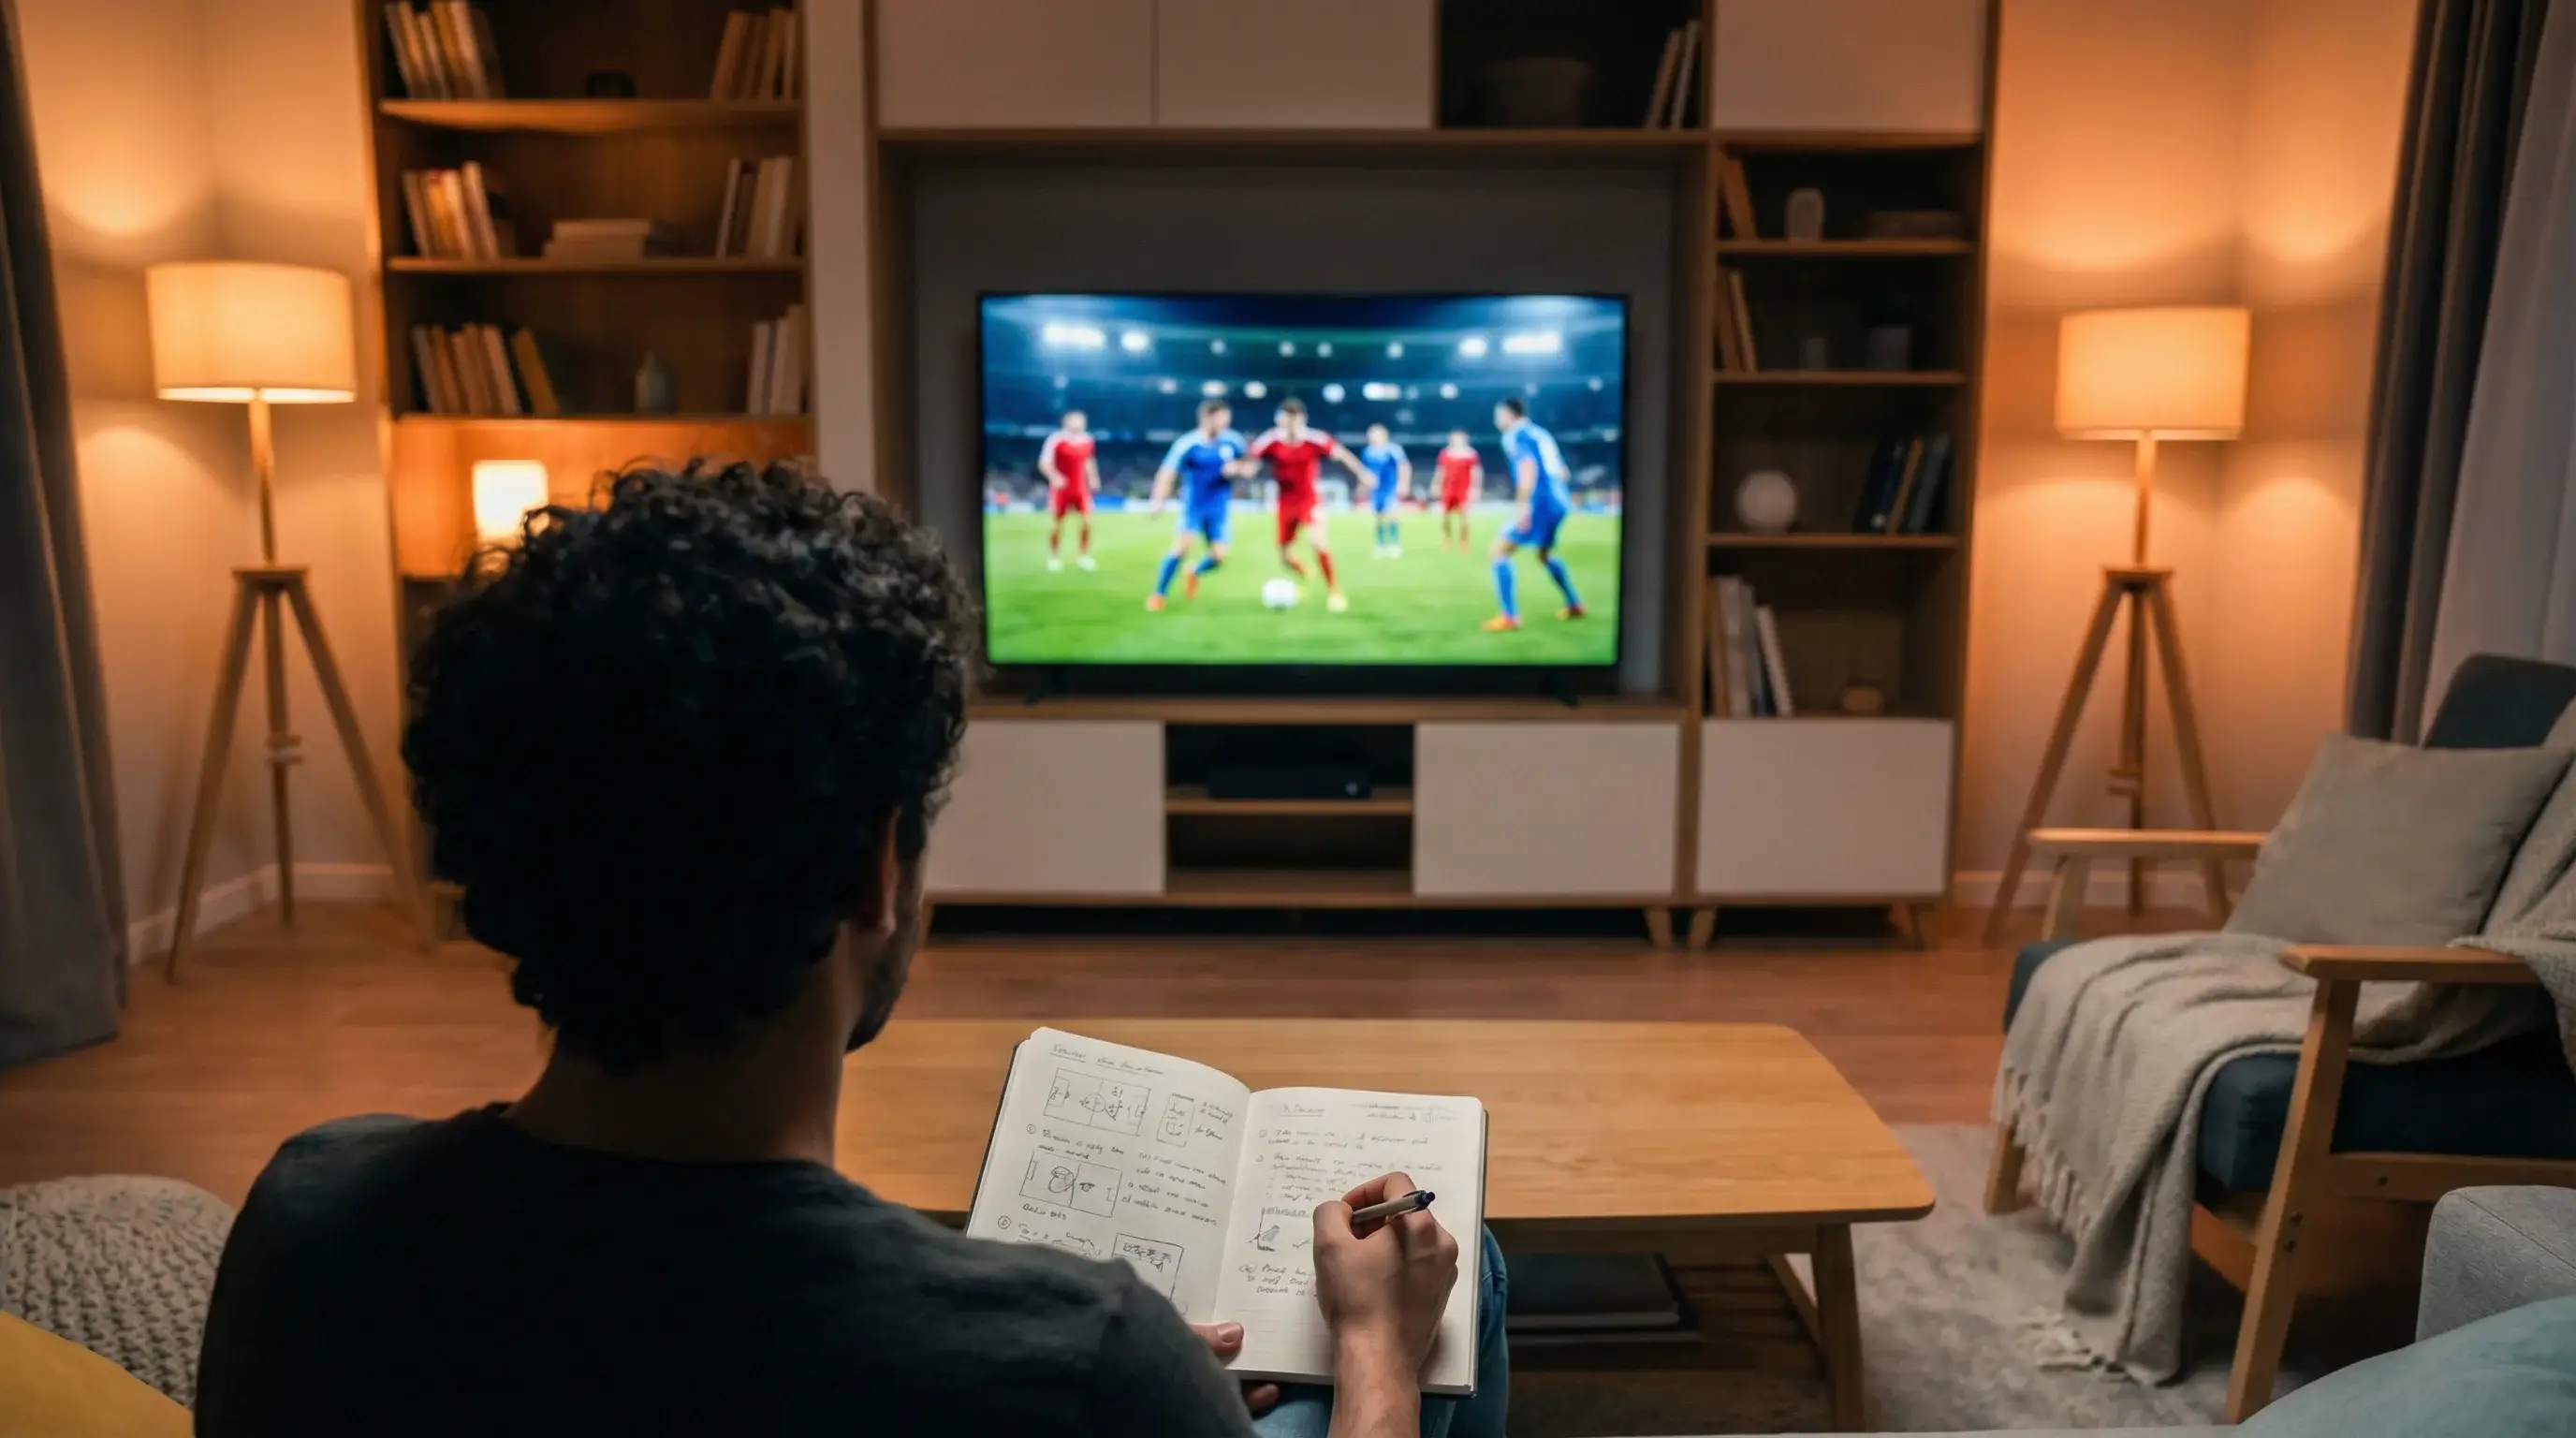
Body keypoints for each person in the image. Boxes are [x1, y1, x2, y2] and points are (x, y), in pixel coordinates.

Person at [193, 460, 1509, 1438]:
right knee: (1442, 1282)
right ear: (876, 870)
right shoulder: (1087, 1360)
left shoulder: (307, 1216)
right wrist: (1378, 1355)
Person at [1249, 397, 1370, 612]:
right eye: (1287, 420)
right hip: (1285, 504)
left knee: (1318, 542)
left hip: (1309, 501)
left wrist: (1362, 473)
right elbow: (1250, 458)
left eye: (1295, 420)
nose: (1291, 424)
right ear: (1280, 420)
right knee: (1285, 557)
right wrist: (1244, 468)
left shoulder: (1315, 439)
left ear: (1302, 420)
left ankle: (1334, 592)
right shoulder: (1271, 440)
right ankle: (1307, 574)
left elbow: (1341, 454)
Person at [1483, 398, 1586, 632]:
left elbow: (1527, 467)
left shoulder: (1515, 435)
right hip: (1559, 501)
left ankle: (1509, 616)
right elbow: (1563, 471)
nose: (1496, 420)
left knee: (1498, 552)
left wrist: (1523, 506)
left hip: (1540, 503)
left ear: (1509, 415)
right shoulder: (1540, 434)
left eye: (1498, 415)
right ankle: (1574, 604)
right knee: (1544, 555)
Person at [1147, 399, 1253, 610]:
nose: (1224, 422)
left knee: (1219, 557)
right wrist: (1158, 500)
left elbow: (1250, 466)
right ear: (1206, 418)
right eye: (1220, 418)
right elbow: (1168, 472)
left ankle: (1194, 571)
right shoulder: (1188, 443)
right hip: (1193, 506)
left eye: (1226, 418)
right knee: (1181, 547)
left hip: (1219, 508)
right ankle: (1158, 594)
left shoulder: (1233, 441)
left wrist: (1238, 469)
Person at [1039, 408, 1101, 571]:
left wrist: (1093, 478)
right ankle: (1054, 557)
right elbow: (1044, 463)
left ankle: (1083, 556)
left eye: (1082, 421)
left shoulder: (1088, 440)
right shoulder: (1056, 440)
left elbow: (1089, 460)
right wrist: (1055, 477)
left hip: (1080, 489)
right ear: (1067, 422)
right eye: (1076, 420)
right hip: (1061, 489)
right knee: (1056, 525)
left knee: (1087, 523)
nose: (1080, 424)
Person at [1358, 422, 1412, 558]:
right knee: (1378, 518)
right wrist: (1362, 486)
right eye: (1370, 435)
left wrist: (1403, 483)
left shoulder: (1393, 450)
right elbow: (1365, 471)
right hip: (1376, 491)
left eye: (1374, 434)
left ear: (1383, 436)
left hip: (1390, 488)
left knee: (1391, 515)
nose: (1371, 437)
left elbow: (1404, 466)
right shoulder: (1367, 452)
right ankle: (1380, 545)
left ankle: (1394, 544)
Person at [1433, 431, 1483, 554]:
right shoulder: (1446, 453)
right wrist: (1436, 484)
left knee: (1465, 517)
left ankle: (1464, 543)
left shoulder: (1471, 454)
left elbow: (1476, 472)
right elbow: (1441, 470)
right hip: (1448, 488)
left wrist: (1475, 488)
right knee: (1445, 517)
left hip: (1463, 489)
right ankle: (1447, 540)